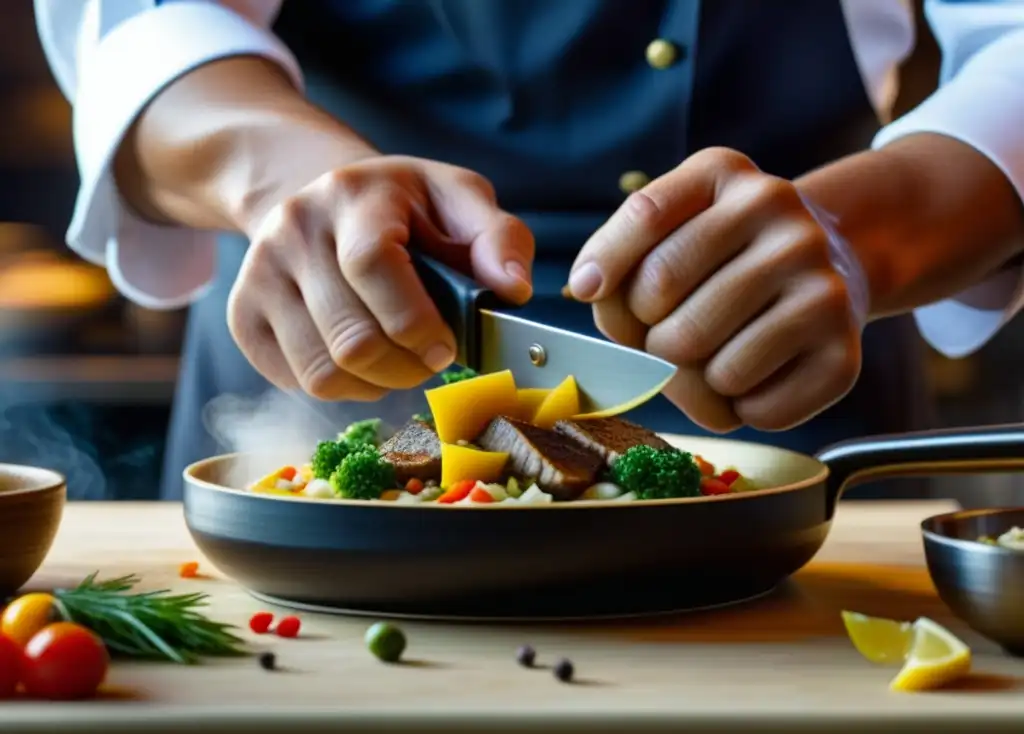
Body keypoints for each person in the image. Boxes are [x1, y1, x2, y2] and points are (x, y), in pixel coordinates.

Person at [35, 0, 1024, 501]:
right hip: (318, 405)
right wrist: (286, 187)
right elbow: (139, 24)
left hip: (798, 412)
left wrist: (859, 237)